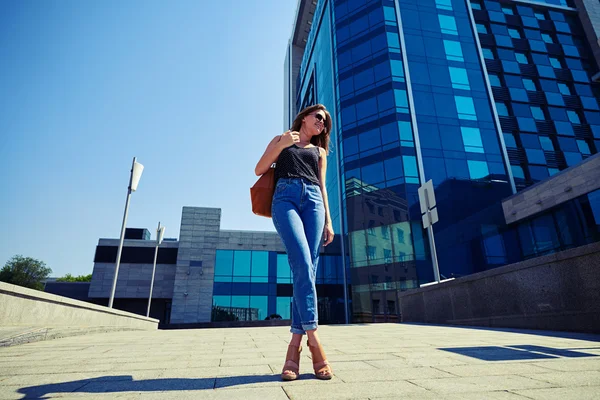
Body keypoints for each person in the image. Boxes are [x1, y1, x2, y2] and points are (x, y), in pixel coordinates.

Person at [254, 104, 334, 381]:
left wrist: (329, 221)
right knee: (301, 261)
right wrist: (283, 144)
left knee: (308, 270)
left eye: (325, 122)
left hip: (314, 203)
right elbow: (259, 168)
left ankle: (293, 349)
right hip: (285, 198)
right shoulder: (282, 139)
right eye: (318, 118)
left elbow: (322, 187)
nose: (322, 123)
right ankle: (314, 341)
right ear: (304, 118)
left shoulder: (320, 152)